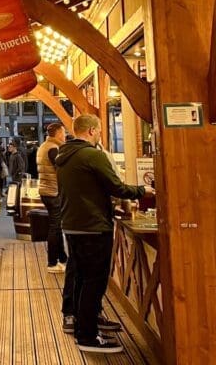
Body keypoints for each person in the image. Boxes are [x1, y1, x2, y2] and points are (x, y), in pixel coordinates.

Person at [56, 114, 152, 354]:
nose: (100, 134)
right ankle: (88, 336)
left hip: (72, 223)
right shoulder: (92, 155)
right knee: (93, 281)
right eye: (99, 130)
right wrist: (143, 190)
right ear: (90, 131)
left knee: (81, 278)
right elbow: (116, 187)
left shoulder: (64, 155)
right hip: (93, 225)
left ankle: (82, 326)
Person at [37, 122, 68, 272]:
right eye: (63, 132)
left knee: (56, 226)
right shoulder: (53, 149)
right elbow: (62, 170)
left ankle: (62, 258)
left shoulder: (44, 146)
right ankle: (52, 263)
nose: (65, 135)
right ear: (57, 133)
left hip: (46, 190)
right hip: (53, 191)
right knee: (55, 227)